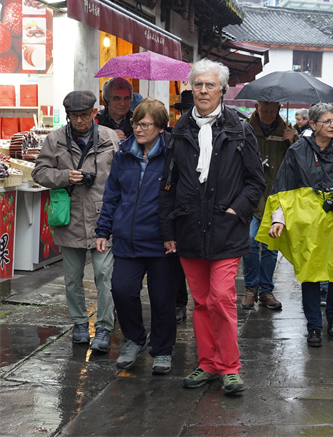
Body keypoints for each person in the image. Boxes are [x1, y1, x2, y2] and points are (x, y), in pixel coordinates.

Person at [160, 59, 265, 395]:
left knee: (221, 297)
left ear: (222, 90)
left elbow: (256, 181)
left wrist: (237, 211)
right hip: (189, 227)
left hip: (226, 227)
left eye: (210, 85)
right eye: (198, 85)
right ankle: (207, 363)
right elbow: (168, 184)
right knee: (202, 301)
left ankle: (229, 367)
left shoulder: (239, 129)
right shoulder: (180, 130)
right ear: (191, 89)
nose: (203, 90)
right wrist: (168, 231)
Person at [256, 103, 333, 348]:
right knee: (310, 273)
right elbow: (284, 187)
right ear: (312, 124)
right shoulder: (297, 151)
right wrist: (278, 218)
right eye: (327, 121)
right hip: (309, 225)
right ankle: (313, 326)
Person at [96, 98, 181, 374]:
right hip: (128, 239)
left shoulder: (173, 154)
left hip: (162, 242)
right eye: (136, 123)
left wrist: (175, 232)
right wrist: (103, 230)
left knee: (163, 299)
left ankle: (162, 350)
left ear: (160, 127)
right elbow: (112, 195)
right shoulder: (124, 153)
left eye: (146, 124)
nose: (139, 129)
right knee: (121, 290)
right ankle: (134, 338)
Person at [32, 91, 120, 351]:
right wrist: (64, 177)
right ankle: (80, 323)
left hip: (103, 218)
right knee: (72, 278)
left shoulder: (109, 137)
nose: (79, 120)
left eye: (84, 115)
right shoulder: (56, 138)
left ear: (94, 112)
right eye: (74, 116)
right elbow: (39, 172)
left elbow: (121, 174)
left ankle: (104, 326)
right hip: (70, 218)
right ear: (67, 115)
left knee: (104, 274)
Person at [241, 101, 297, 310]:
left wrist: (292, 141)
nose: (268, 115)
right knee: (249, 241)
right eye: (264, 111)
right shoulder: (245, 129)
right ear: (257, 107)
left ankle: (266, 290)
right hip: (250, 195)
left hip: (276, 196)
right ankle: (251, 288)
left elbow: (298, 161)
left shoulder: (287, 131)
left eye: (272, 111)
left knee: (271, 246)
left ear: (279, 109)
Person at [172, 89, 195, 324]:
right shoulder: (174, 134)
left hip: (201, 208)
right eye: (184, 110)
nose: (187, 114)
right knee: (176, 263)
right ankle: (179, 302)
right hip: (178, 206)